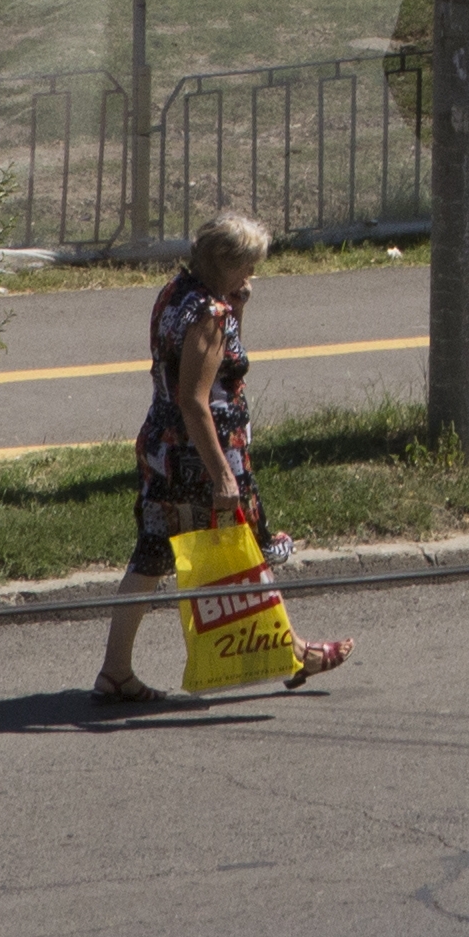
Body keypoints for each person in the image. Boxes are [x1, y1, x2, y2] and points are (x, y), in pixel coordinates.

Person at [95, 208, 348, 706]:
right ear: (225, 265)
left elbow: (215, 364)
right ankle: (296, 657)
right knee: (245, 555)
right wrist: (221, 476)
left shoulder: (178, 294)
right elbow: (197, 397)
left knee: (150, 557)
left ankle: (115, 670)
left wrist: (238, 307)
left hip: (163, 448)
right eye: (247, 266)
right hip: (201, 456)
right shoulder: (210, 316)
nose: (252, 275)